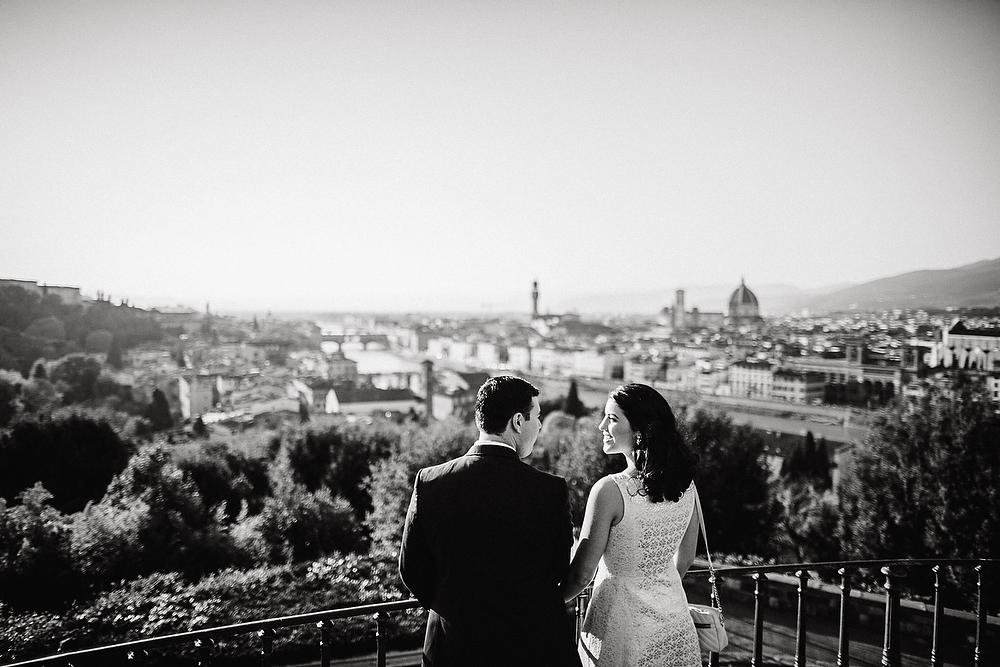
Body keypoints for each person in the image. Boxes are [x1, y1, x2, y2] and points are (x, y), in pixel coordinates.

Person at [399, 375, 581, 667]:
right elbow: (558, 567)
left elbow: (412, 569)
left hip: (454, 646)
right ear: (518, 422)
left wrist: (455, 609)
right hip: (531, 647)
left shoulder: (431, 482)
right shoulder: (549, 490)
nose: (539, 426)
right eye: (537, 417)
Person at [562, 383, 701, 667]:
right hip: (673, 622)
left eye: (612, 419)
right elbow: (684, 561)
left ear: (639, 431)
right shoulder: (688, 487)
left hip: (620, 626)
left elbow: (581, 574)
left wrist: (544, 603)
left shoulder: (610, 490)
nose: (601, 425)